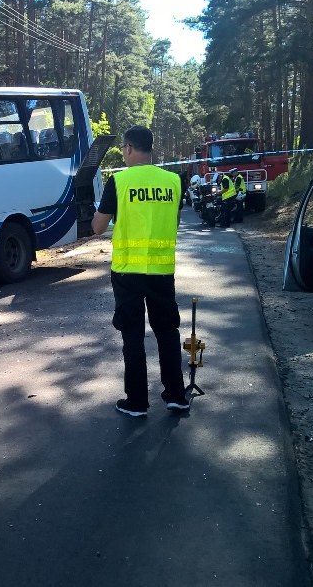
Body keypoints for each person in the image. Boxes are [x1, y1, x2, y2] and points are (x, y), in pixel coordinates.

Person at [91, 126, 188, 417]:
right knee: (167, 332)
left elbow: (97, 228)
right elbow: (175, 221)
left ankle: (136, 402)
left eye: (123, 149)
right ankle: (176, 396)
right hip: (161, 271)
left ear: (130, 148)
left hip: (127, 273)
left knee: (132, 336)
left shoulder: (118, 182)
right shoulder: (173, 181)